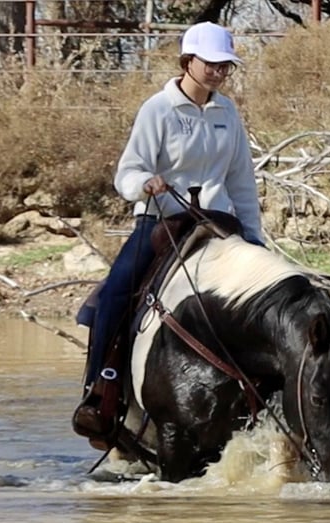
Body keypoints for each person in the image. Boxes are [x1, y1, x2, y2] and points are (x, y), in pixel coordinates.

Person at [73, 21, 264, 442]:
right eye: (210, 64)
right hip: (161, 221)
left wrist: (255, 239)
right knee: (116, 293)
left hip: (217, 223)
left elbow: (241, 182)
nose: (217, 72)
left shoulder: (227, 113)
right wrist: (146, 182)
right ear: (187, 62)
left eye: (224, 66)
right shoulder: (157, 109)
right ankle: (99, 391)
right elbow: (128, 171)